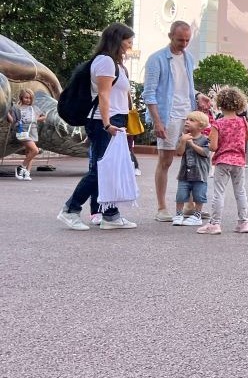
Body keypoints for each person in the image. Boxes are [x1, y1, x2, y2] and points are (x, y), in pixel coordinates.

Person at [57, 23, 139, 231]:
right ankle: (70, 210)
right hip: (105, 120)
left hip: (114, 119)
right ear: (117, 40)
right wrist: (107, 123)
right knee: (101, 171)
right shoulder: (105, 62)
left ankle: (110, 215)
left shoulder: (114, 63)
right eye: (128, 41)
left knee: (109, 169)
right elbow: (103, 94)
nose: (130, 45)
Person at [143, 20, 198, 223]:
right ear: (170, 36)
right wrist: (157, 121)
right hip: (168, 116)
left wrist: (198, 96)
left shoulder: (189, 58)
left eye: (187, 40)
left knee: (191, 160)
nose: (184, 44)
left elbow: (186, 86)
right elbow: (149, 94)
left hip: (188, 114)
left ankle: (190, 205)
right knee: (165, 161)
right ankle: (161, 207)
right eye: (180, 40)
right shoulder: (156, 59)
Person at [197, 86, 248, 235]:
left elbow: (213, 147)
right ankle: (243, 223)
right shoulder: (242, 121)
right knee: (240, 192)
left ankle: (215, 224)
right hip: (239, 161)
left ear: (220, 104)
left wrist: (208, 141)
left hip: (222, 161)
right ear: (239, 104)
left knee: (219, 193)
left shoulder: (218, 123)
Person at [172, 111, 211, 227]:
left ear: (200, 126)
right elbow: (179, 153)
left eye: (192, 120)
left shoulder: (205, 140)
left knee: (199, 195)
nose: (187, 122)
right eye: (187, 119)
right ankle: (179, 214)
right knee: (180, 195)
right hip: (184, 173)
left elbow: (205, 153)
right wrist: (183, 141)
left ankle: (197, 216)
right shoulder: (183, 138)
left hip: (200, 174)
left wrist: (192, 144)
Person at [10, 89, 45, 180]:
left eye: (30, 98)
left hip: (33, 131)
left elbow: (44, 116)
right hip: (22, 131)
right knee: (35, 150)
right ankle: (21, 167)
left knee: (29, 153)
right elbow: (12, 121)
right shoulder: (17, 108)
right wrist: (7, 113)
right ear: (21, 97)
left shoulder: (34, 108)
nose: (28, 100)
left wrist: (36, 119)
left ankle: (27, 173)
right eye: (26, 98)